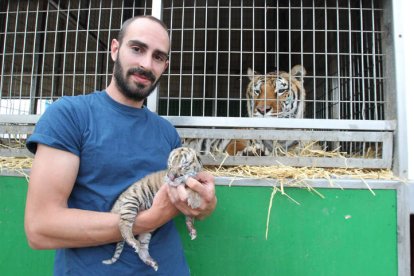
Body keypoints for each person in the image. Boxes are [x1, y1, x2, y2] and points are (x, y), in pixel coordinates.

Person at [24, 15, 217, 275]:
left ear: (165, 65)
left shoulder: (167, 133)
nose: (146, 64)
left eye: (158, 57)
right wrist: (147, 220)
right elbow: (40, 228)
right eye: (137, 49)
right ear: (115, 49)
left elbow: (180, 201)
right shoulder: (70, 115)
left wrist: (203, 204)